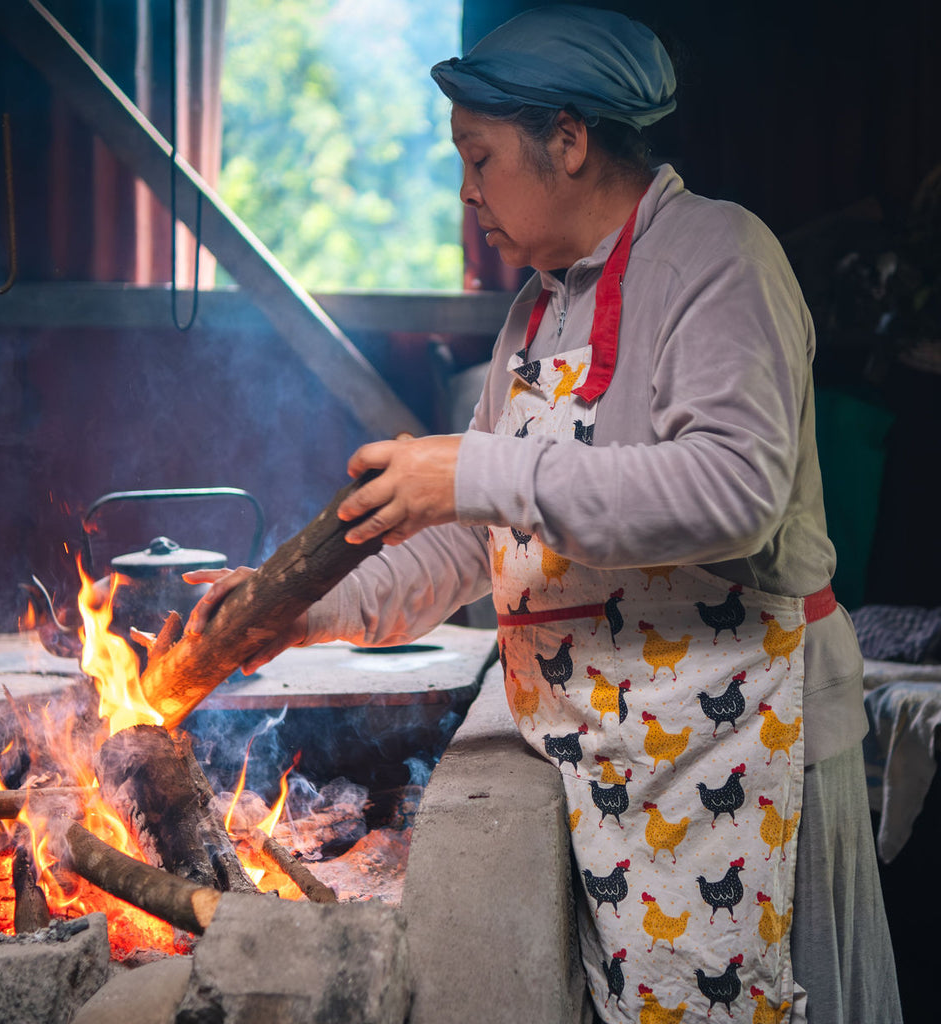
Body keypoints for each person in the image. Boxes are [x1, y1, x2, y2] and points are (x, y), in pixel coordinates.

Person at [187, 7, 902, 1022]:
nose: (466, 191)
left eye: (479, 158)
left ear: (568, 140)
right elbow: (479, 537)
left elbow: (732, 493)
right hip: (620, 754)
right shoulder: (538, 306)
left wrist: (477, 467)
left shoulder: (720, 258)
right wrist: (305, 617)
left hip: (743, 740)